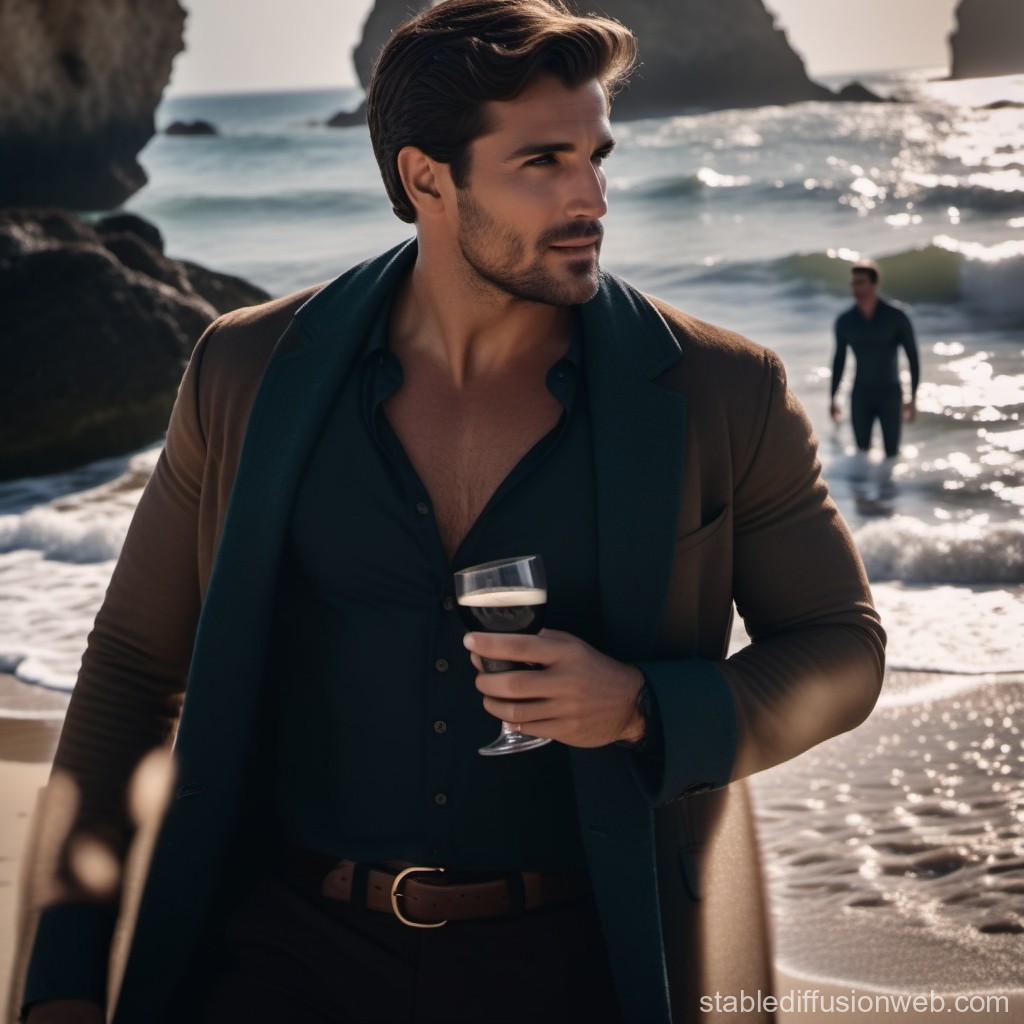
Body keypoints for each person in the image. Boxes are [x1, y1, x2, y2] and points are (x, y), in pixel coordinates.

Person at [16, 2, 885, 1022]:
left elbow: (842, 649)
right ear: (426, 178)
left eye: (596, 155)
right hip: (282, 957)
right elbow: (134, 667)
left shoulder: (720, 391)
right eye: (543, 161)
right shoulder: (248, 370)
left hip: (582, 961)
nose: (591, 195)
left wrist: (642, 707)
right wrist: (63, 980)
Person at [830, 259, 920, 468]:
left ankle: (888, 489)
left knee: (891, 456)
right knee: (861, 454)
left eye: (860, 283)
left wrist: (913, 397)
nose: (856, 288)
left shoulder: (896, 317)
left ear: (874, 284)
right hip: (861, 395)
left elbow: (913, 357)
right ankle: (863, 490)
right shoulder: (846, 321)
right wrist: (833, 398)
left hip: (890, 395)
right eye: (853, 283)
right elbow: (839, 360)